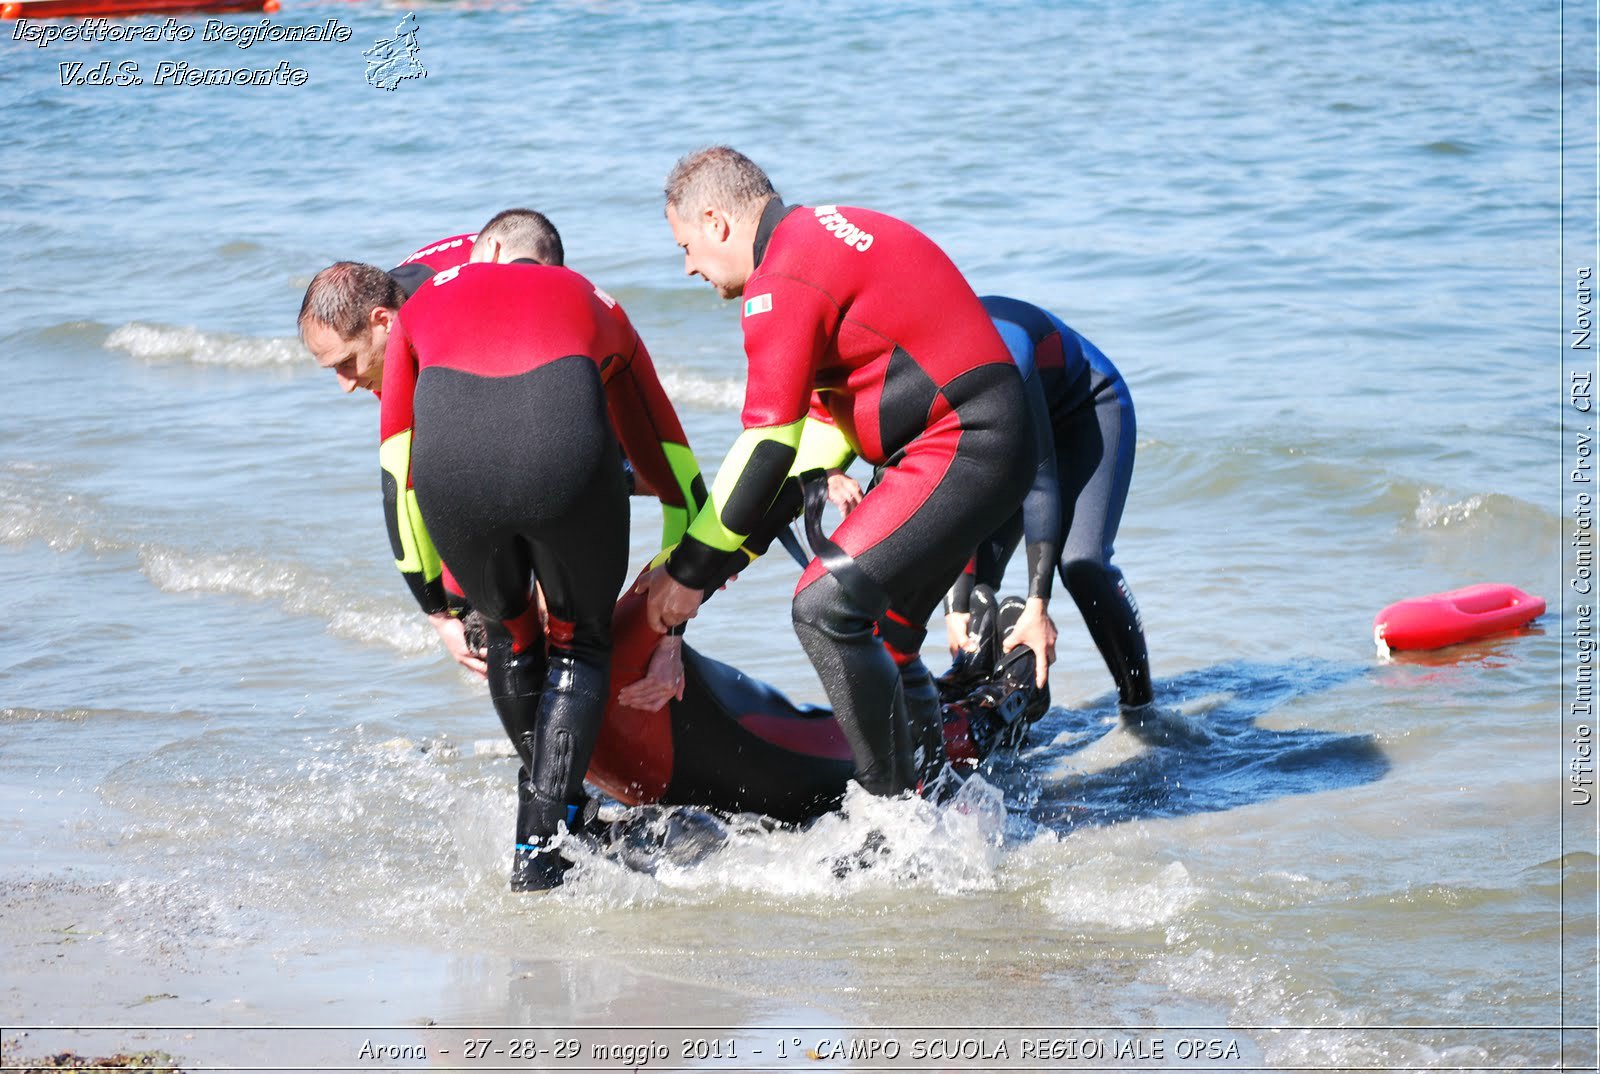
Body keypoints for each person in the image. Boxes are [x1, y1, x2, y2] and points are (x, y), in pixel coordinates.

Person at [639, 146, 1034, 799]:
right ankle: (936, 803)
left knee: (825, 607)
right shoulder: (817, 240)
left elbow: (767, 444)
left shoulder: (785, 274)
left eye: (685, 245)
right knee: (883, 634)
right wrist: (718, 557)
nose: (687, 267)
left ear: (716, 220)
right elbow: (816, 444)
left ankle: (889, 820)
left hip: (967, 439)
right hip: (981, 439)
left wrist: (687, 576)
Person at [379, 214, 706, 891]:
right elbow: (666, 449)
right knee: (580, 644)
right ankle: (540, 850)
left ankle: (556, 825)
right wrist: (683, 569)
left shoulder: (422, 306)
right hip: (567, 472)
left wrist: (433, 604)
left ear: (491, 251)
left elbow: (397, 464)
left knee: (511, 636)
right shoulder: (595, 299)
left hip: (455, 485)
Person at [942, 296, 1153, 710]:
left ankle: (1140, 709)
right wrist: (955, 604)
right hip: (1010, 413)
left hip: (1089, 408)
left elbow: (1040, 482)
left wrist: (1039, 606)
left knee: (1082, 563)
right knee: (973, 583)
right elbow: (953, 491)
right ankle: (1003, 704)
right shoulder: (924, 379)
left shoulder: (1006, 361)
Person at [297, 227, 488, 674]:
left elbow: (406, 490)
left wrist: (442, 612)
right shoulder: (389, 335)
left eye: (347, 363)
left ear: (382, 321)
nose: (345, 385)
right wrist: (446, 612)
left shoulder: (442, 332)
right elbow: (412, 485)